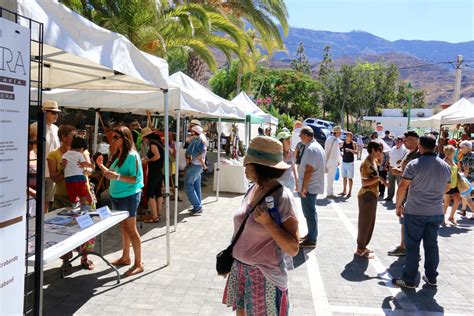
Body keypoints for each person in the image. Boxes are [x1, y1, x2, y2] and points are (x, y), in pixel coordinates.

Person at [222, 136, 299, 315]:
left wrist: (269, 223)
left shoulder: (283, 197)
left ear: (260, 167)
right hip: (241, 271)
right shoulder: (253, 189)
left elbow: (293, 248)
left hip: (264, 276)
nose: (244, 166)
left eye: (248, 163)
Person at [392, 135, 451, 289]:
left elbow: (403, 186)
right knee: (432, 246)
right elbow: (447, 187)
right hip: (436, 212)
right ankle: (432, 277)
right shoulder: (445, 166)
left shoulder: (414, 164)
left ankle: (409, 279)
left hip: (415, 211)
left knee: (412, 247)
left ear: (421, 146)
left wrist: (398, 206)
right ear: (435, 146)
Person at [96, 126, 145, 277]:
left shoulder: (131, 156)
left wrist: (116, 176)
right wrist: (100, 165)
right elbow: (111, 174)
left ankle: (138, 263)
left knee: (131, 229)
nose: (113, 140)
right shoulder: (120, 155)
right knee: (124, 228)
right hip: (117, 196)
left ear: (125, 138)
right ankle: (126, 257)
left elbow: (134, 179)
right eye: (112, 137)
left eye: (116, 137)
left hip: (128, 196)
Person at [47, 125, 95, 270]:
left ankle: (85, 257)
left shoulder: (82, 150)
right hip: (63, 196)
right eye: (73, 135)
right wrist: (65, 169)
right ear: (63, 137)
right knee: (63, 230)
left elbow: (90, 171)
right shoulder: (54, 155)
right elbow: (54, 178)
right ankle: (66, 260)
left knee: (87, 227)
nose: (76, 138)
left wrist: (82, 168)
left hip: (84, 194)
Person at [387, 130, 420, 257]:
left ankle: (407, 248)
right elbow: (405, 169)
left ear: (414, 139)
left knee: (408, 222)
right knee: (404, 221)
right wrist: (399, 170)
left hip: (411, 192)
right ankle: (403, 246)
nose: (404, 143)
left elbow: (415, 174)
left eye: (405, 140)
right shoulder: (410, 153)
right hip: (406, 191)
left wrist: (399, 172)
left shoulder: (418, 155)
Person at [356, 141, 387, 258]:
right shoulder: (366, 163)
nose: (381, 152)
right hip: (367, 195)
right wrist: (379, 179)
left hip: (371, 195)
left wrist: (381, 156)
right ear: (373, 150)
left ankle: (363, 246)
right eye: (379, 150)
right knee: (365, 223)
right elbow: (364, 183)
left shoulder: (373, 161)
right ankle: (360, 249)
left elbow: (380, 163)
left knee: (369, 223)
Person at [298, 126, 325, 247]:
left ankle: (312, 239)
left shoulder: (311, 149)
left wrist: (304, 188)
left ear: (305, 135)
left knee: (309, 213)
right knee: (311, 213)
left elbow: (309, 170)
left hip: (309, 187)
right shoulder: (316, 147)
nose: (299, 138)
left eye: (300, 135)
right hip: (312, 185)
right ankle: (311, 235)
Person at [140, 127, 165, 223]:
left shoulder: (153, 143)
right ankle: (158, 214)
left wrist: (147, 160)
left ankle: (155, 216)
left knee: (150, 194)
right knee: (158, 193)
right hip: (159, 171)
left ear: (146, 137)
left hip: (154, 172)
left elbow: (157, 156)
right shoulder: (158, 142)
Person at [62, 137, 94, 208]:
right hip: (79, 177)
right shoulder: (80, 154)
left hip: (68, 178)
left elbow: (62, 163)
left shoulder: (65, 154)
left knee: (72, 193)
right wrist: (91, 166)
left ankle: (74, 204)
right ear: (82, 149)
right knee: (82, 193)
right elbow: (83, 163)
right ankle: (83, 206)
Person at [43, 100, 61, 212]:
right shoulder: (34, 127)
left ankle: (43, 225)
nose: (56, 115)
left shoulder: (56, 129)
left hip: (52, 172)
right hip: (37, 171)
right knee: (33, 200)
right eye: (53, 112)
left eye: (57, 113)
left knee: (47, 201)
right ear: (45, 112)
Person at [185, 125, 207, 215]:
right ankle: (197, 206)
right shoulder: (203, 138)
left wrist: (188, 161)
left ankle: (197, 206)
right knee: (196, 186)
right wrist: (204, 165)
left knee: (188, 185)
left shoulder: (196, 140)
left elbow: (194, 154)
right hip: (199, 166)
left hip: (195, 165)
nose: (190, 133)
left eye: (191, 131)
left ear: (194, 132)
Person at [442, 145, 461, 226]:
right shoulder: (444, 161)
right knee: (446, 203)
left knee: (457, 200)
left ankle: (451, 217)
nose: (455, 152)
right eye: (454, 151)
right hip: (447, 185)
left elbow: (456, 170)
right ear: (451, 152)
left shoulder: (453, 160)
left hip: (455, 184)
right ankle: (442, 219)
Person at [385, 136, 408, 202]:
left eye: (399, 141)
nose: (397, 142)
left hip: (398, 169)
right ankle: (389, 196)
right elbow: (390, 157)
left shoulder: (404, 149)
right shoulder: (393, 148)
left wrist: (401, 161)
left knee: (400, 184)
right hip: (391, 167)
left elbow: (405, 158)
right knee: (390, 183)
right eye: (396, 141)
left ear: (402, 142)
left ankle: (402, 199)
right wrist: (387, 164)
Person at [324, 125, 342, 199]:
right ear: (337, 133)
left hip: (327, 161)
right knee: (331, 179)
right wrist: (339, 161)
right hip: (333, 161)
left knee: (329, 178)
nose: (340, 134)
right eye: (339, 132)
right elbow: (337, 153)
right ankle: (330, 193)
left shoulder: (328, 139)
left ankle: (330, 192)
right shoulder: (335, 141)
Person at [459, 140, 474, 219]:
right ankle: (463, 210)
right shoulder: (473, 154)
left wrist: (462, 179)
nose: (460, 149)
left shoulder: (466, 156)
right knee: (467, 196)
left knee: (467, 196)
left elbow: (466, 170)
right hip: (472, 179)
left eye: (462, 147)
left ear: (467, 148)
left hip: (469, 180)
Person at [340, 131, 357, 198]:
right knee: (344, 177)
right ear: (346, 136)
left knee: (350, 178)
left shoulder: (353, 143)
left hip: (350, 163)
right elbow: (339, 149)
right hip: (344, 162)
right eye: (348, 136)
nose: (349, 137)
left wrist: (350, 150)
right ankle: (344, 191)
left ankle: (349, 192)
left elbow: (356, 152)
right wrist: (341, 155)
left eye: (350, 136)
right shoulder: (343, 143)